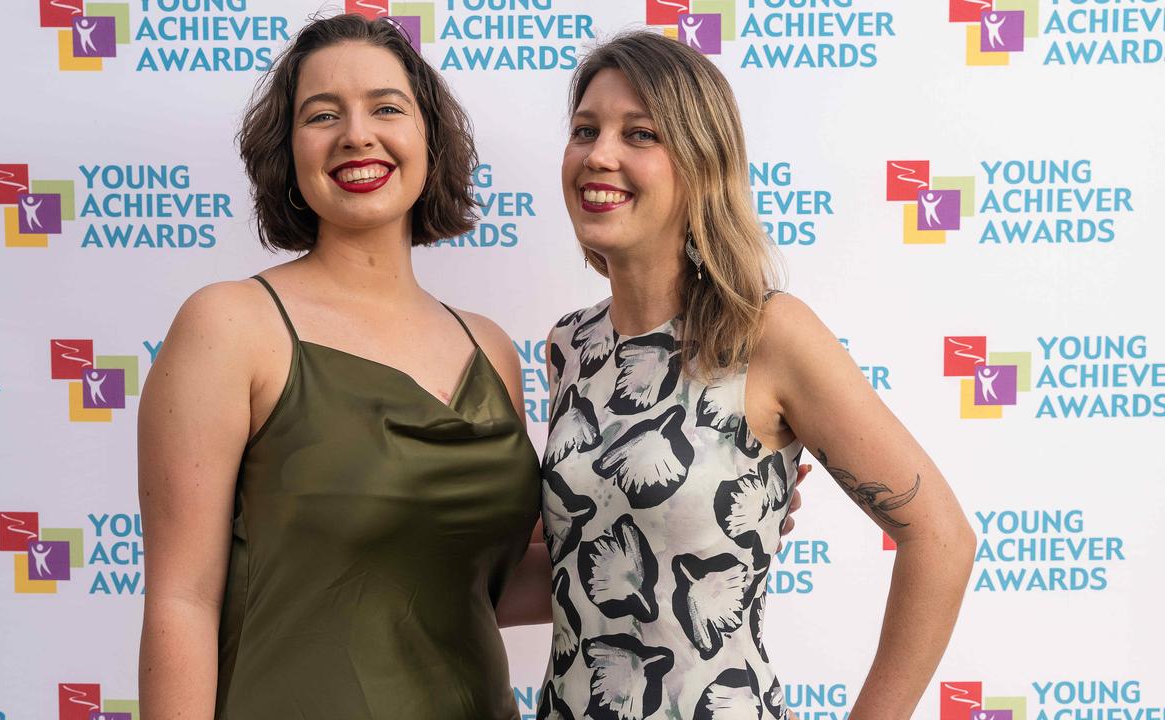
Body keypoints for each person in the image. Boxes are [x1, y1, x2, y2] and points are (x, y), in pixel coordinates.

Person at [539, 32, 976, 720]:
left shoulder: (766, 333)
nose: (599, 154)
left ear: (700, 164)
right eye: (585, 129)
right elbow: (575, 565)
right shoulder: (569, 344)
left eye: (641, 134)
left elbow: (942, 538)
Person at [135, 15, 543, 719]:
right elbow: (182, 600)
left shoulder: (491, 349)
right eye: (322, 115)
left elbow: (481, 588)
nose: (357, 134)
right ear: (287, 154)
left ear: (430, 141)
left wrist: (696, 513)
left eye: (387, 108)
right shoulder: (230, 326)